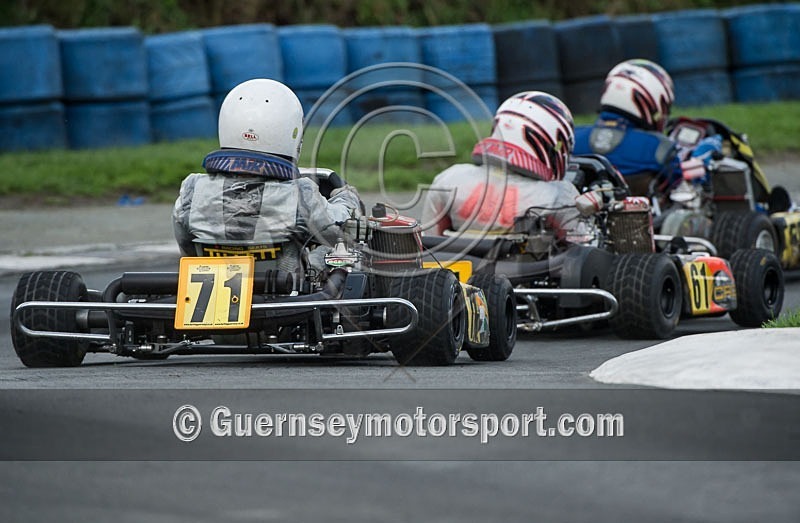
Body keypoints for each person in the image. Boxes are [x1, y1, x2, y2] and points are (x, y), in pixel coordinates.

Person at [172, 78, 362, 272]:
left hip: (210, 295)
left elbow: (189, 254)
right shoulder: (299, 196)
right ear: (291, 132)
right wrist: (346, 196)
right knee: (342, 256)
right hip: (284, 298)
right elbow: (340, 229)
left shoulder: (192, 190)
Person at [421, 91, 582, 240]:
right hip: (528, 269)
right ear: (546, 141)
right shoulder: (557, 195)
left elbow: (430, 243)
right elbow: (579, 249)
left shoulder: (450, 179)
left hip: (456, 266)